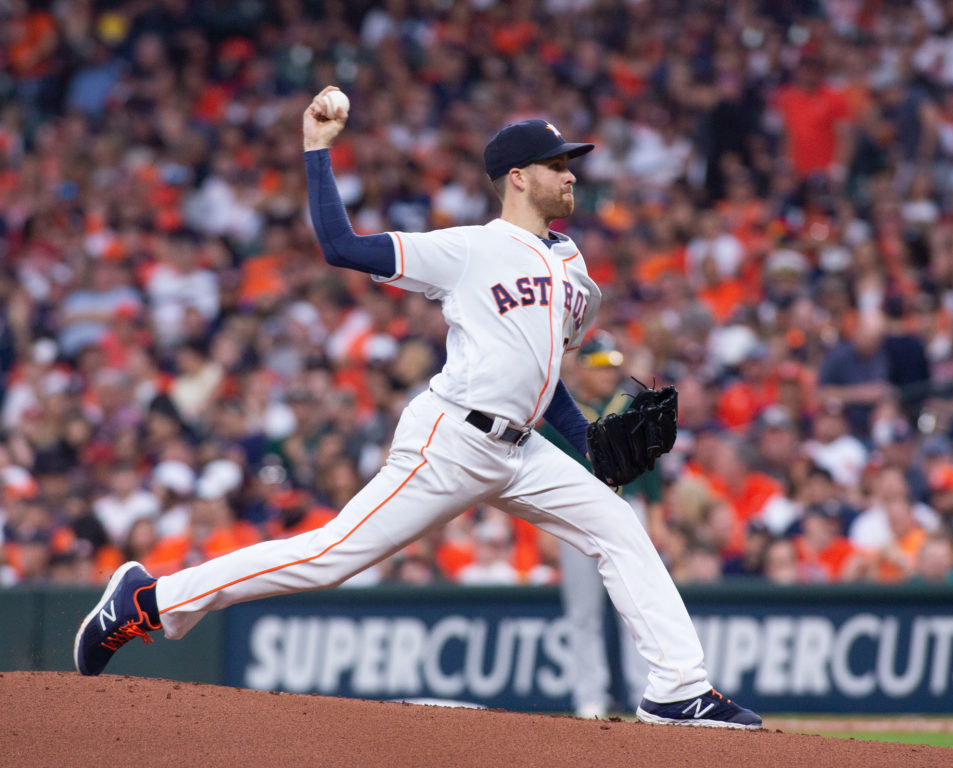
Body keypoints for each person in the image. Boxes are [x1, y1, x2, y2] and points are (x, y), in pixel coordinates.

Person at [73, 87, 761, 730]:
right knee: (332, 555)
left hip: (521, 450)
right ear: (517, 177)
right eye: (557, 164)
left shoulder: (574, 269)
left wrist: (586, 446)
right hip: (451, 439)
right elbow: (340, 246)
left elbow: (539, 371)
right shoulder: (468, 248)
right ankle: (149, 601)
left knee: (619, 526)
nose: (571, 174)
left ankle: (677, 689)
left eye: (570, 163)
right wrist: (317, 146)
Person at [538, 331, 650, 719]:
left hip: (628, 507)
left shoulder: (630, 403)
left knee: (637, 606)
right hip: (572, 513)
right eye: (601, 365)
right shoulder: (560, 411)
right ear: (582, 366)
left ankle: (644, 692)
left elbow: (651, 466)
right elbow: (539, 472)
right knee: (583, 612)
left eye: (614, 365)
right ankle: (590, 698)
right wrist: (545, 526)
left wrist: (659, 510)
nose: (608, 373)